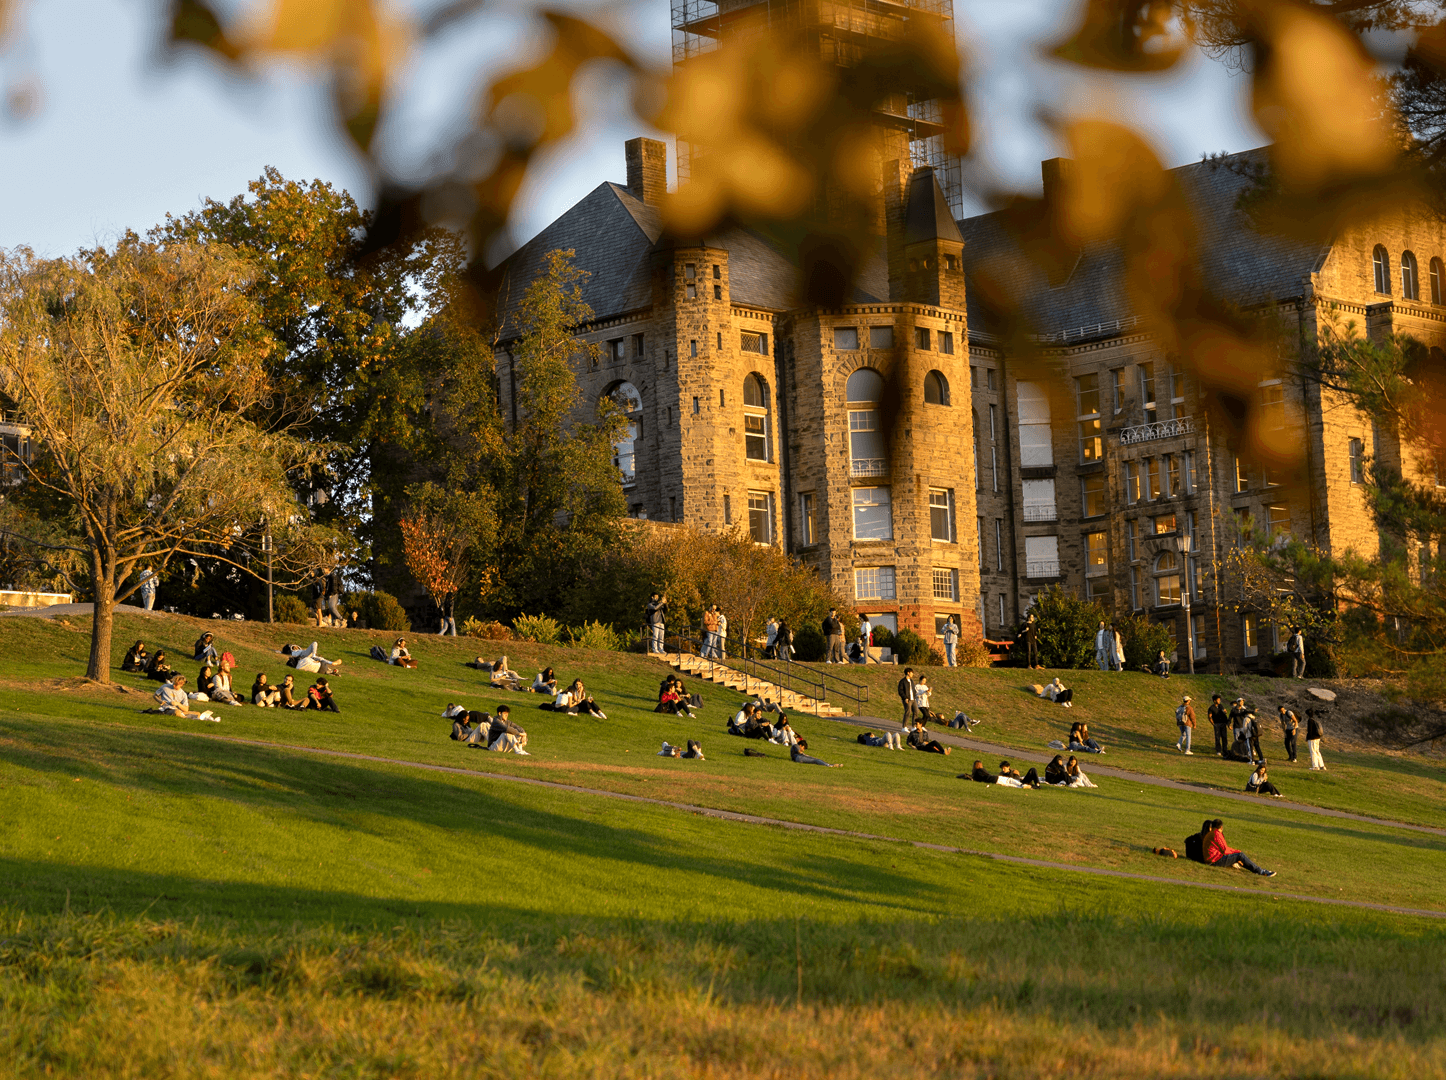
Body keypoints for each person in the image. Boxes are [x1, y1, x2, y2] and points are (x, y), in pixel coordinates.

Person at [1204, 819, 1276, 876]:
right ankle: (1261, 871)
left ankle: (1256, 870)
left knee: (1237, 856)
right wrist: (1237, 852)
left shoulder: (1210, 834)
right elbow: (1225, 850)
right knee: (1240, 855)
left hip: (1211, 860)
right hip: (1214, 862)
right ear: (1221, 827)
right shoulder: (1217, 834)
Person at [150, 675, 216, 721]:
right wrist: (160, 701)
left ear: (181, 684)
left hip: (181, 711)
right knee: (177, 712)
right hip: (167, 709)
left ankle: (188, 717)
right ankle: (188, 718)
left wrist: (178, 704)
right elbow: (155, 695)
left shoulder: (183, 694)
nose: (174, 686)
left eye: (176, 685)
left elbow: (186, 709)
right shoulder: (165, 687)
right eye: (174, 683)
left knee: (198, 714)